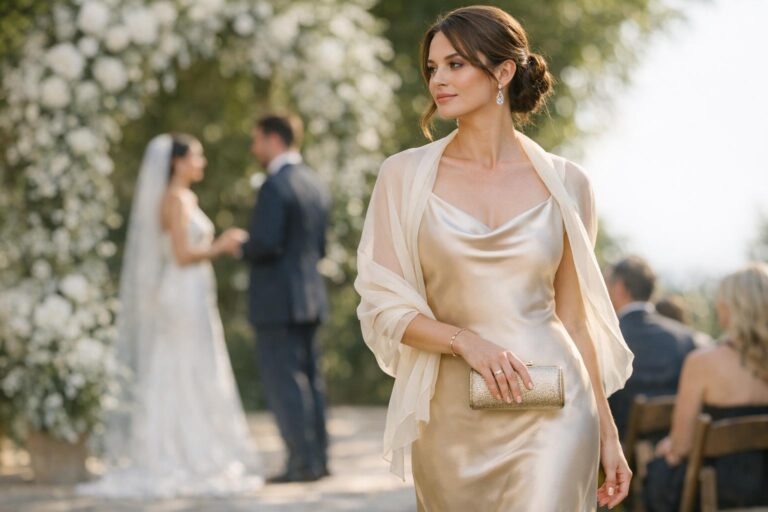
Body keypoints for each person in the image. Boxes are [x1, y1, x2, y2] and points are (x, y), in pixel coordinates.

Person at [355, 6, 634, 510]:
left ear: (503, 72)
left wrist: (608, 433)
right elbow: (383, 308)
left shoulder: (569, 183)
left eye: (456, 64)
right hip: (450, 417)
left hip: (555, 406)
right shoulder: (402, 177)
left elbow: (574, 317)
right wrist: (466, 343)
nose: (438, 79)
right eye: (433, 68)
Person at [78, 134, 262, 499]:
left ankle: (187, 443)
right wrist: (222, 245)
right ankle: (175, 451)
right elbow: (180, 254)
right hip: (181, 292)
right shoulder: (175, 199)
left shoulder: (184, 197)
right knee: (181, 366)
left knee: (190, 366)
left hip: (191, 291)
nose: (202, 162)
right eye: (197, 156)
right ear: (177, 162)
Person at [241, 114, 332, 483]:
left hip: (278, 301)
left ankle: (300, 463)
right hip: (310, 297)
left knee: (286, 383)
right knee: (312, 381)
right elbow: (321, 246)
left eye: (256, 139)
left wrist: (239, 246)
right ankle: (319, 460)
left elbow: (265, 242)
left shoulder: (274, 185)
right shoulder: (315, 182)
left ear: (273, 139)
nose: (254, 148)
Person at [643, 262, 768, 511]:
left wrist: (670, 447)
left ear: (731, 307)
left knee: (659, 469)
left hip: (719, 493)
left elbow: (681, 446)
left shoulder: (702, 362)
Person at [606, 256, 698, 439]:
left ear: (619, 288)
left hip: (619, 450)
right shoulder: (684, 337)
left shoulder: (606, 339)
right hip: (672, 447)